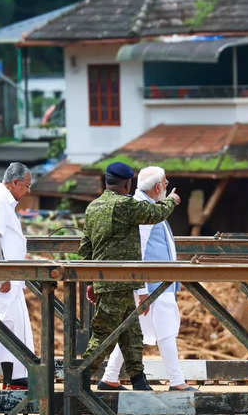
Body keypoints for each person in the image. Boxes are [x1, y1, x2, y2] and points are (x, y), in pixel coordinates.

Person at [78, 161, 181, 391]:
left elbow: (86, 247)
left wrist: (91, 280)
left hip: (112, 281)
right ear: (127, 184)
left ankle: (137, 381)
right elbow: (156, 213)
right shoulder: (125, 206)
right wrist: (171, 200)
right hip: (119, 282)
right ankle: (80, 378)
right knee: (104, 336)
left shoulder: (93, 206)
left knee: (132, 334)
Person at [99, 166, 195, 391]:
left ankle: (110, 377)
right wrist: (140, 290)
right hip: (152, 286)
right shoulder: (142, 210)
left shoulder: (147, 206)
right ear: (159, 187)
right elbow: (138, 252)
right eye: (165, 182)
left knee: (133, 334)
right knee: (166, 331)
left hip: (155, 285)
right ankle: (177, 381)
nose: (168, 185)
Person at [0, 162, 34, 390]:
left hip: (12, 277)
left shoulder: (6, 202)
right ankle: (18, 375)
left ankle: (18, 376)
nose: (28, 191)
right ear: (15, 183)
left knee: (17, 327)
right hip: (3, 280)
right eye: (26, 186)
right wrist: (2, 273)